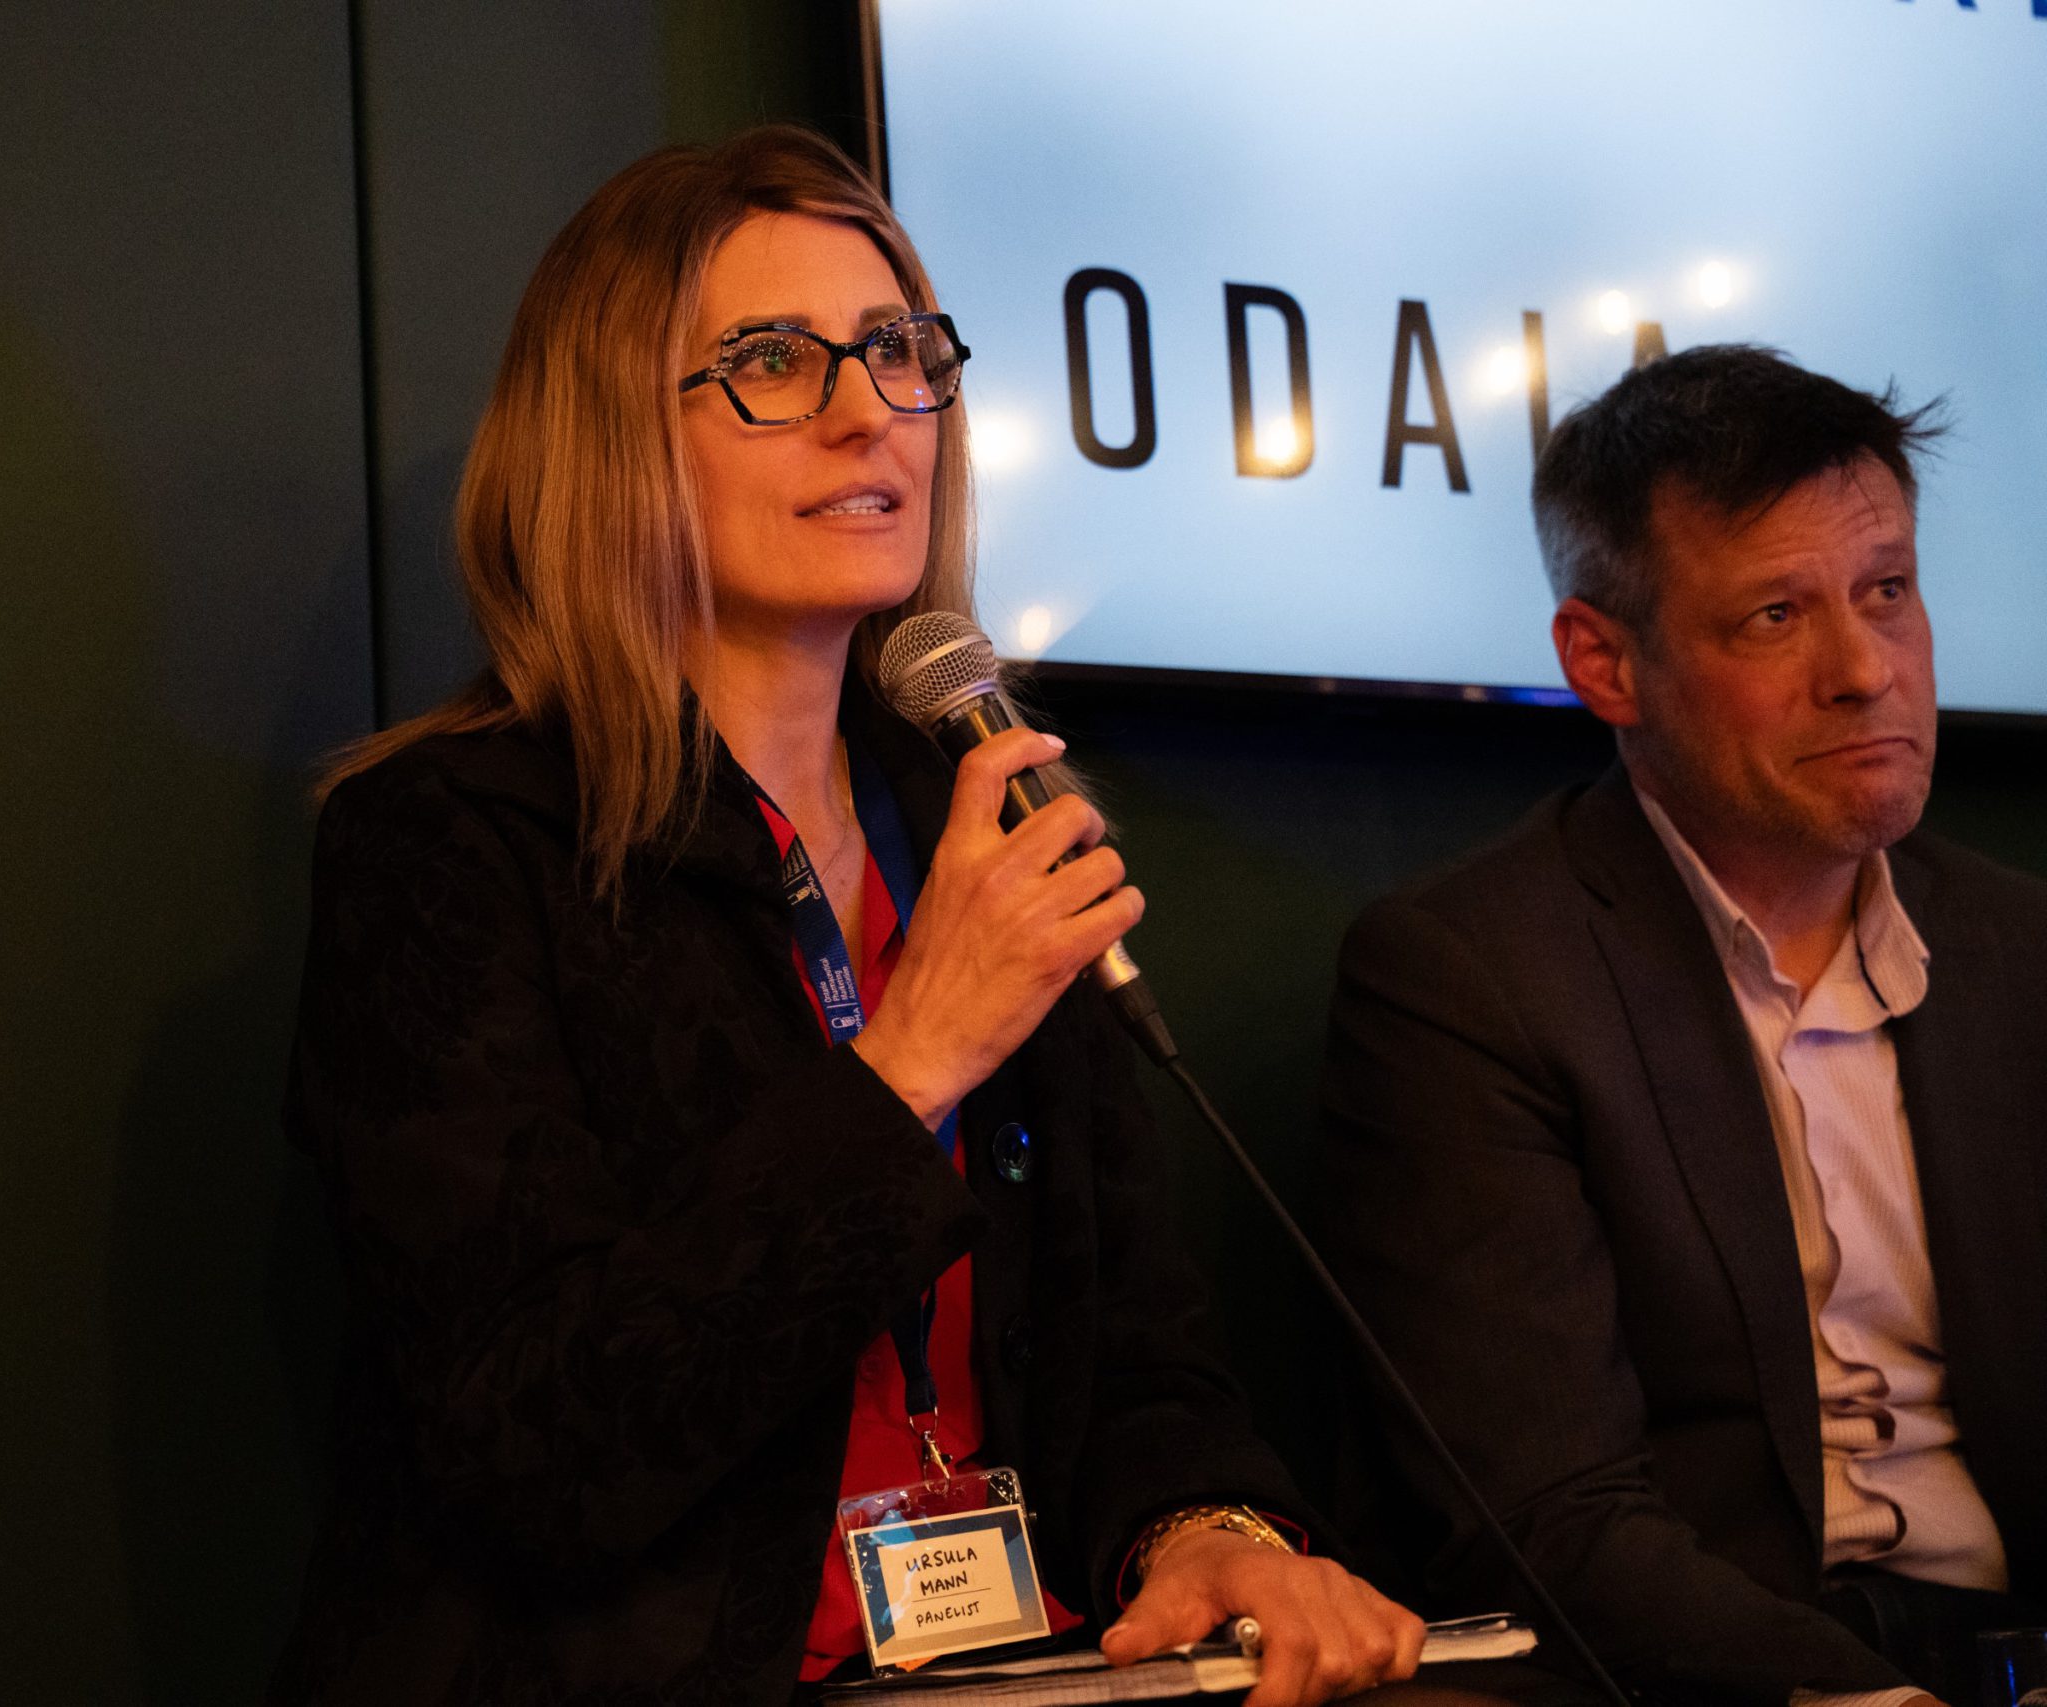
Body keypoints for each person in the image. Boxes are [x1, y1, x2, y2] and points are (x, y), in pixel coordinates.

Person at [274, 126, 1456, 1706]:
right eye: (774, 361)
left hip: (1016, 1671)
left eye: (900, 353)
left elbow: (1139, 1358)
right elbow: (534, 1446)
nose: (866, 412)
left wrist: (1203, 1534)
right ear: (609, 437)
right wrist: (909, 1062)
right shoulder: (449, 845)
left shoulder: (978, 816)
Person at [1318, 346, 2047, 1707]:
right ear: (1603, 663)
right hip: (1734, 1674)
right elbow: (1548, 1519)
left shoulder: (2025, 952)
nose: (1865, 670)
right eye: (1775, 615)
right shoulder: (1470, 978)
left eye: (1887, 592)